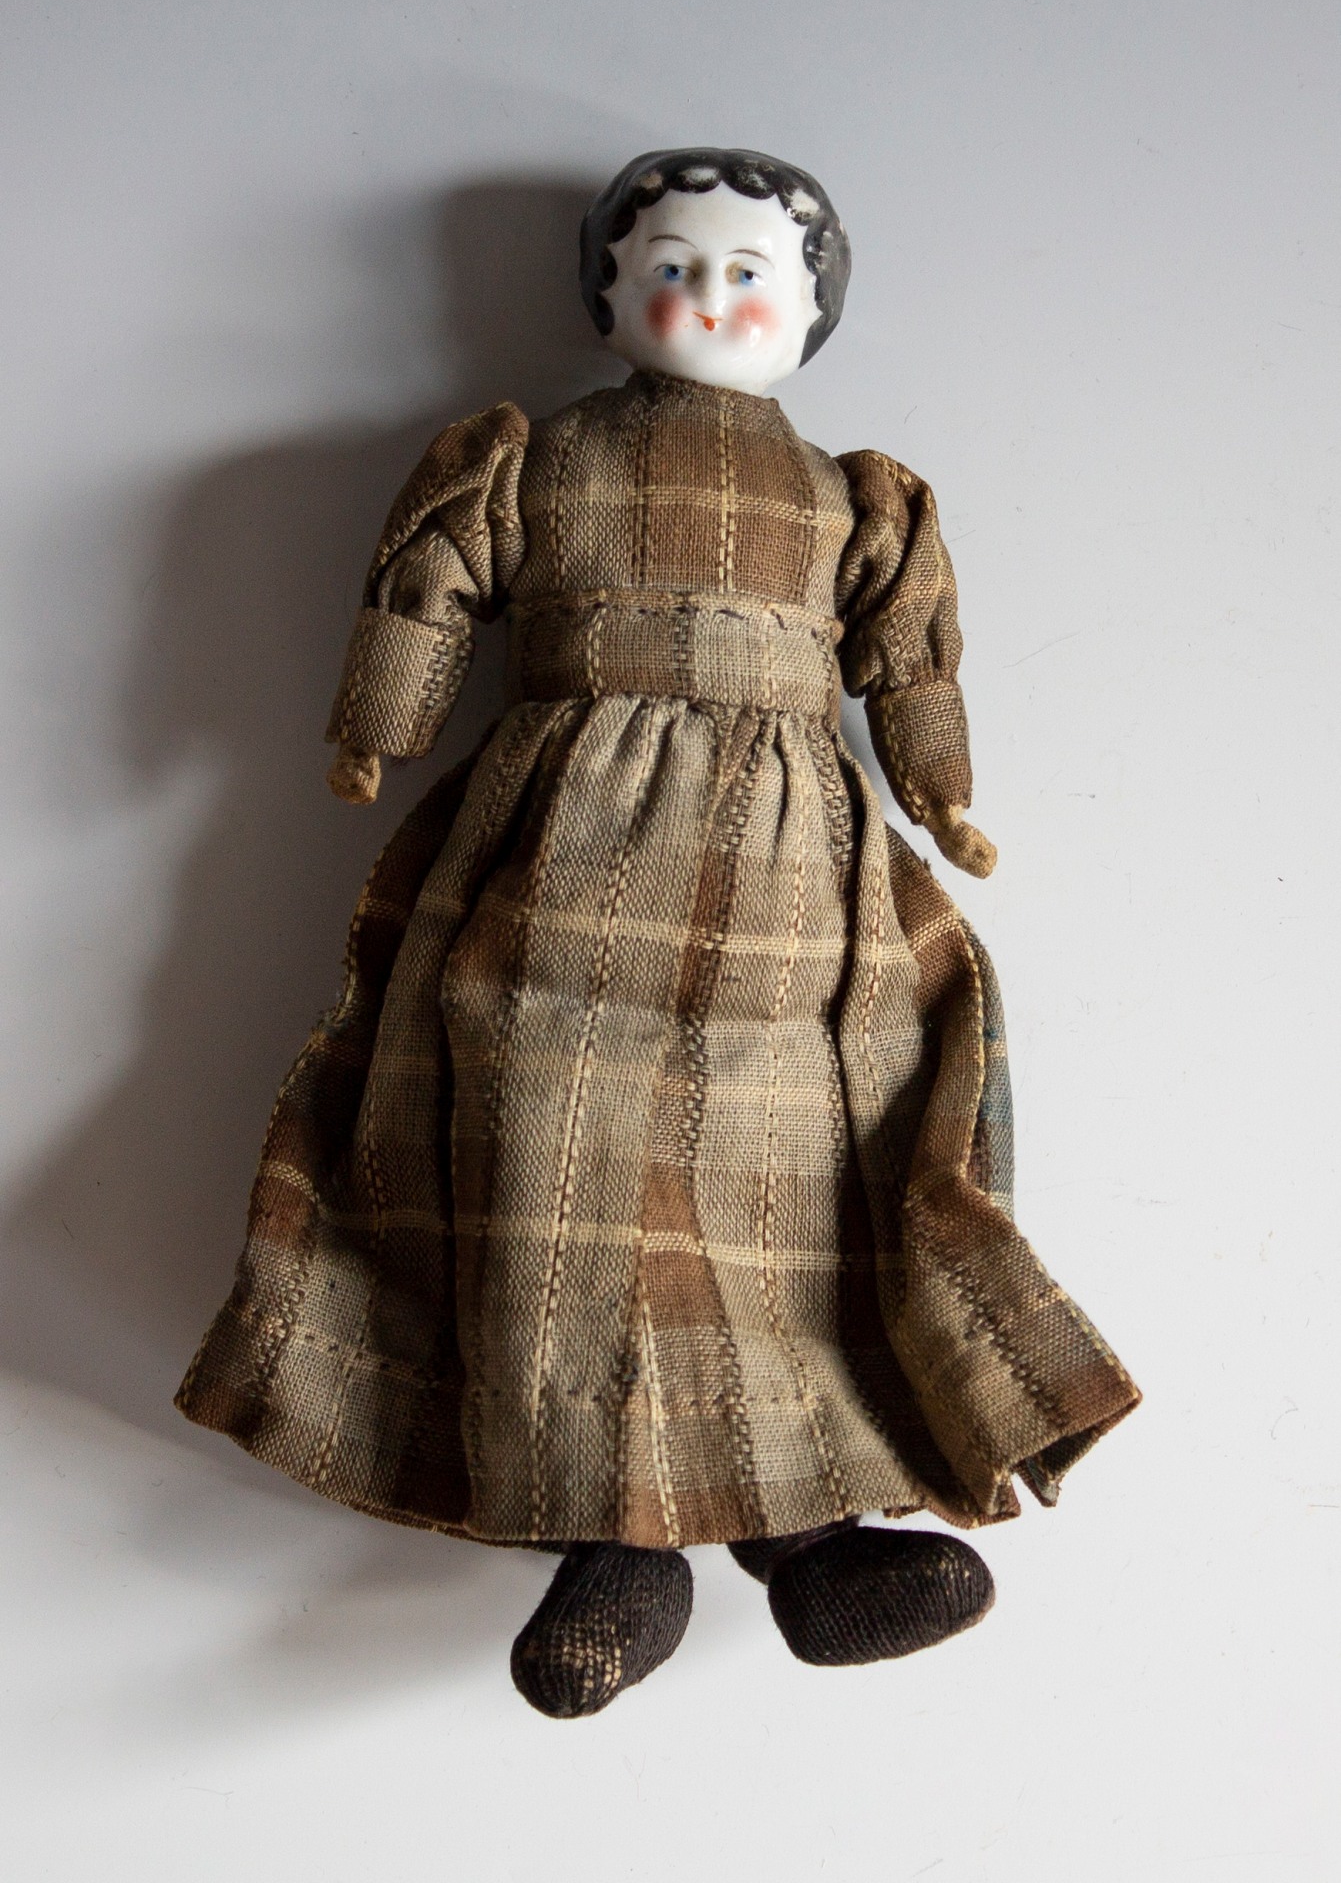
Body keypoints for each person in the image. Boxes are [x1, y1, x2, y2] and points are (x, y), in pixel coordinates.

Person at [177, 147, 1139, 1718]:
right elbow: (428, 588)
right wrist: (377, 730)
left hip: (789, 882)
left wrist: (941, 796)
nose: (706, 296)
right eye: (669, 266)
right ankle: (611, 1554)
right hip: (559, 862)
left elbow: (911, 663)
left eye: (750, 274)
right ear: (607, 295)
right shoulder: (530, 462)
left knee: (796, 1175)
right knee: (548, 1159)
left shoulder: (851, 497)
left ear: (812, 314)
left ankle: (811, 1544)